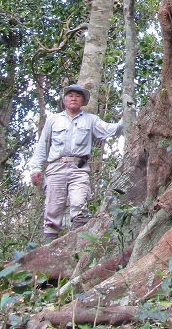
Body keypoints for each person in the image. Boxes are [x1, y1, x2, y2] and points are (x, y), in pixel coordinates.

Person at [28, 83, 123, 243]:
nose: (74, 98)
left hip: (79, 168)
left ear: (83, 100)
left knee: (79, 205)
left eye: (78, 96)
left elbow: (112, 130)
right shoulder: (54, 120)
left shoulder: (90, 120)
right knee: (53, 210)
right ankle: (48, 249)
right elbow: (42, 145)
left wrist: (125, 118)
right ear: (64, 100)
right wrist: (36, 169)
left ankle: (78, 246)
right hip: (55, 167)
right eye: (70, 95)